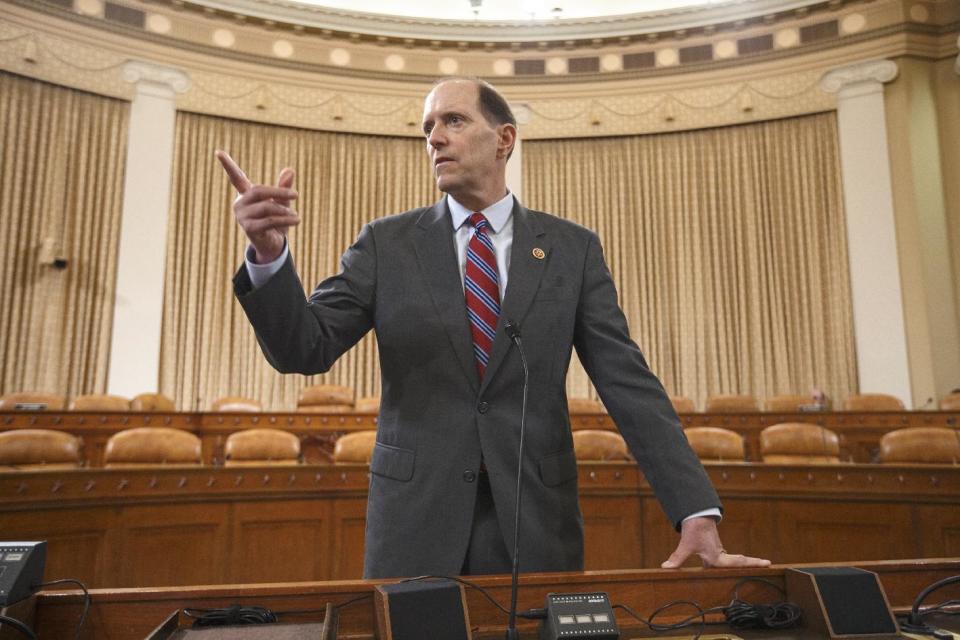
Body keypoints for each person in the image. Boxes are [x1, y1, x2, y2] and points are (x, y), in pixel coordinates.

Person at [217, 77, 770, 578]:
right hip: (416, 520)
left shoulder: (571, 250)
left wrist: (693, 509)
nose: (434, 137)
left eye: (453, 121)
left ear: (504, 138)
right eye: (427, 127)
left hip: (535, 520)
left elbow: (627, 383)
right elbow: (303, 348)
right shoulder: (386, 244)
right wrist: (268, 256)